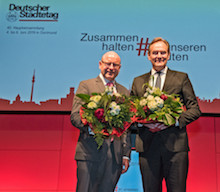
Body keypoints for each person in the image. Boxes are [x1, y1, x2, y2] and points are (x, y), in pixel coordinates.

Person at [131, 37, 201, 192]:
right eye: (155, 53)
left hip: (175, 148)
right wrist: (144, 122)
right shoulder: (137, 81)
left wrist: (172, 121)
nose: (159, 56)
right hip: (148, 147)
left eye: (163, 52)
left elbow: (195, 109)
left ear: (169, 55)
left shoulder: (181, 78)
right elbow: (131, 113)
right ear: (148, 56)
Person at [71, 51, 131, 192]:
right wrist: (95, 128)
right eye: (107, 63)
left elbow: (126, 126)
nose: (111, 67)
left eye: (115, 65)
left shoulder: (124, 91)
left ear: (119, 68)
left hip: (114, 157)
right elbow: (75, 116)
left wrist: (125, 154)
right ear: (100, 64)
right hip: (89, 152)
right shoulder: (86, 85)